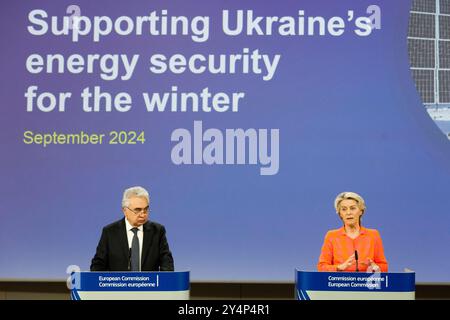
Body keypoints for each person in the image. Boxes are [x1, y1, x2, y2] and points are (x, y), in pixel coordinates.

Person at [90, 186, 174, 271]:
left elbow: (167, 262)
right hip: (119, 284)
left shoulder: (158, 231)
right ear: (125, 210)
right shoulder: (110, 232)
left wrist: (165, 282)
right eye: (137, 210)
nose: (143, 214)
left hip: (149, 284)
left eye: (146, 209)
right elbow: (98, 264)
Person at [317, 192, 388, 272]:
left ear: (361, 211)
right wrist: (339, 267)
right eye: (344, 209)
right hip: (339, 283)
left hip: (365, 283)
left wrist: (376, 267)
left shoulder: (373, 235)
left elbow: (384, 267)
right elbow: (322, 267)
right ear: (340, 214)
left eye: (352, 208)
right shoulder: (331, 236)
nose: (348, 213)